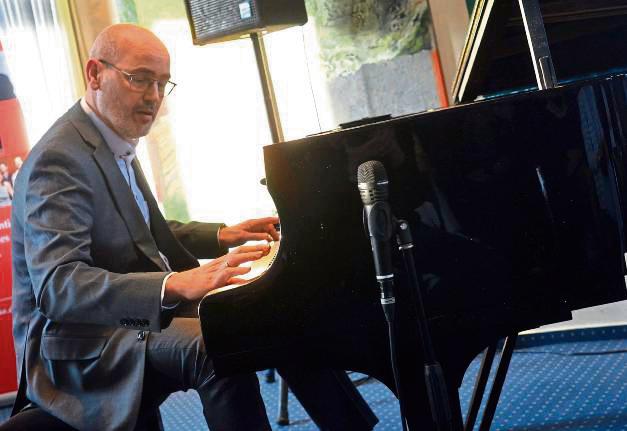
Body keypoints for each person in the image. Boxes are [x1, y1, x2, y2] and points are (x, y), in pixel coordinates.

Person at [6, 24, 376, 431]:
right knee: (215, 350)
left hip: (125, 318)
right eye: (140, 79)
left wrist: (219, 235)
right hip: (77, 345)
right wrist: (175, 284)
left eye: (163, 83)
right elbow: (59, 286)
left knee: (275, 313)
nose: (153, 96)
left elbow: (137, 229)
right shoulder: (58, 160)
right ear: (95, 74)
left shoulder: (109, 135)